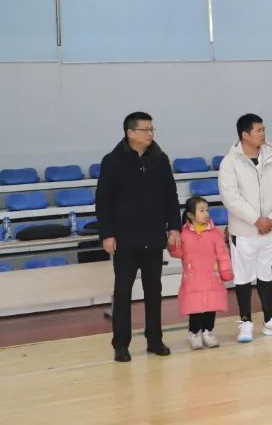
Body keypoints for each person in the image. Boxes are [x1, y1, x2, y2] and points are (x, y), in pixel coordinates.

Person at [95, 111, 181, 363]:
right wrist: (107, 234)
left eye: (152, 129)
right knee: (123, 293)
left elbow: (171, 196)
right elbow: (103, 201)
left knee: (154, 291)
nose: (150, 133)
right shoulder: (112, 161)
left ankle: (155, 339)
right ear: (130, 133)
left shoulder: (160, 159)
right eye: (145, 129)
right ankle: (121, 344)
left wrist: (174, 227)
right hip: (125, 238)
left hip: (153, 236)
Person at [219, 114, 272, 342]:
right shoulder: (230, 162)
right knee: (243, 277)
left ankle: (270, 320)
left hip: (270, 229)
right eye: (258, 130)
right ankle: (245, 322)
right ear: (245, 135)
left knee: (266, 275)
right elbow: (230, 197)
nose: (263, 133)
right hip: (244, 231)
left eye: (263, 129)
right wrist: (255, 219)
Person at [168, 196, 234, 350]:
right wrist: (172, 245)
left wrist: (226, 270)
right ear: (190, 215)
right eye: (201, 211)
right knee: (195, 308)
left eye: (207, 210)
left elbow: (223, 254)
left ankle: (208, 332)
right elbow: (178, 253)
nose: (206, 214)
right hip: (193, 279)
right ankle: (194, 333)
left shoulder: (215, 233)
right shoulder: (184, 234)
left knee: (211, 306)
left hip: (212, 278)